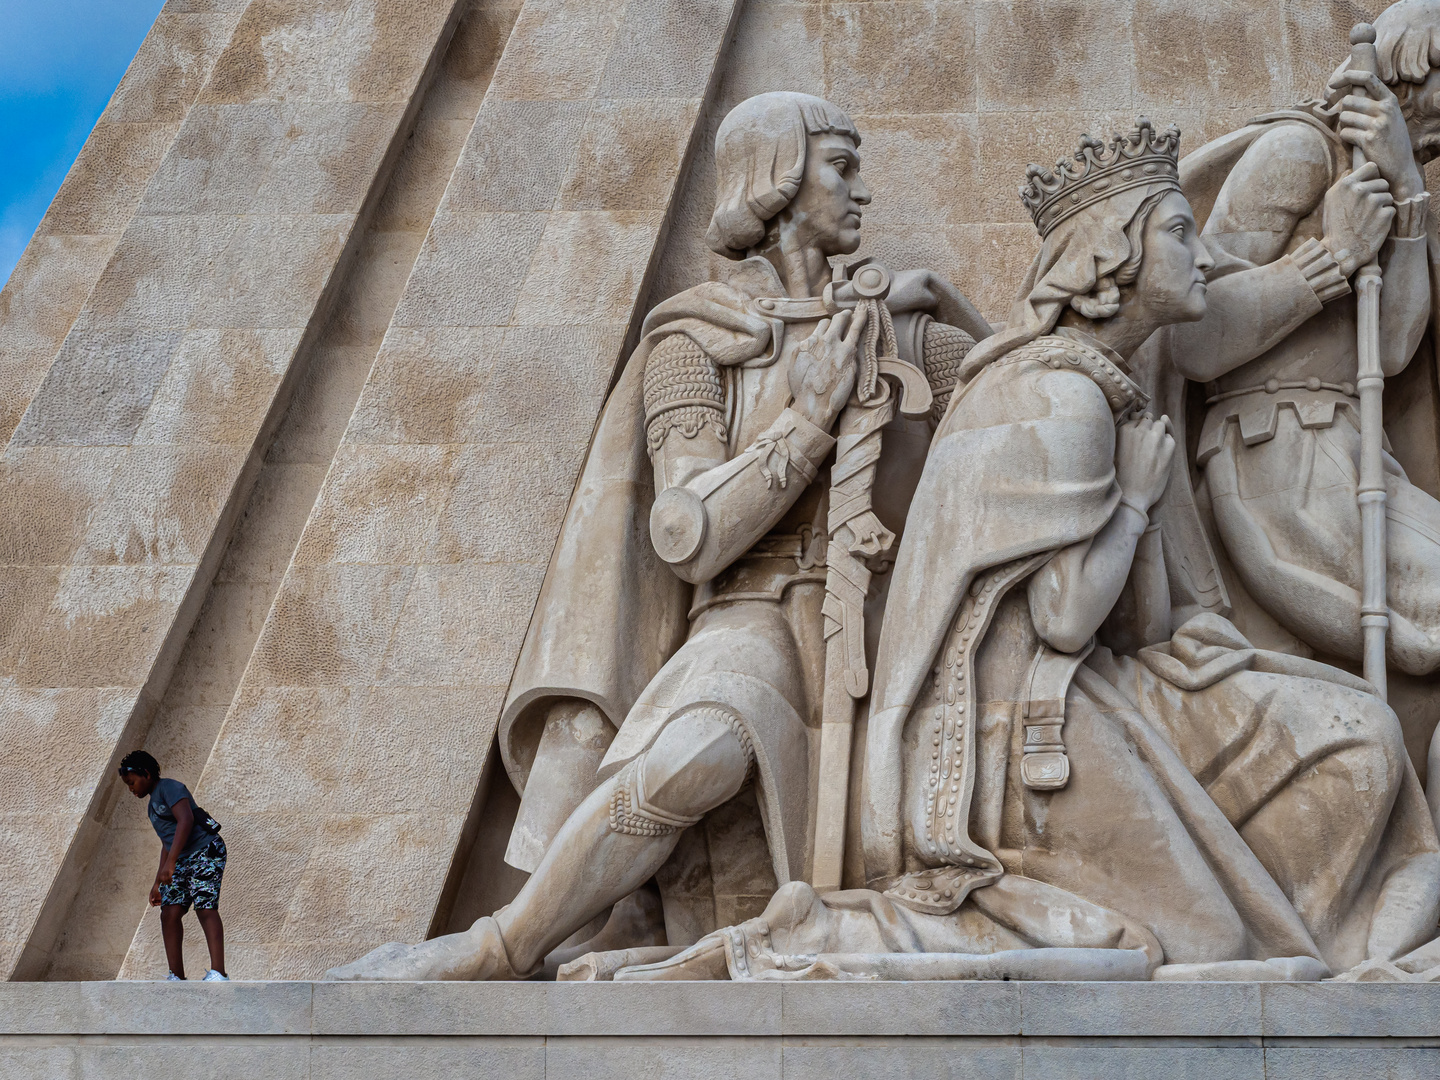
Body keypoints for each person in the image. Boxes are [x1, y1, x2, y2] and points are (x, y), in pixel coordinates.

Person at [617, 120, 1440, 983]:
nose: (1203, 254)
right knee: (1211, 945)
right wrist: (1131, 499)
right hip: (1009, 745)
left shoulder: (1098, 390)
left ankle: (1366, 953)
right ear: (1107, 266)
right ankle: (830, 936)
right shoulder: (1063, 400)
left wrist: (1194, 630)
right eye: (1179, 232)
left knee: (1360, 737)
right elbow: (1067, 614)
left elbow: (1120, 611)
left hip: (1093, 690)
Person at [325, 91, 990, 982]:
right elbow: (693, 534)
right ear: (779, 177)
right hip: (751, 611)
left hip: (896, 627)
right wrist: (811, 416)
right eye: (842, 164)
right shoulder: (698, 344)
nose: (862, 190)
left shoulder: (912, 331)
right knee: (695, 753)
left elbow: (1014, 413)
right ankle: (504, 945)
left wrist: (948, 302)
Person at [118, 750, 229, 982]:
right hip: (181, 858)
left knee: (205, 906)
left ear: (146, 774)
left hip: (205, 850)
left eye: (132, 782)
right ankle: (176, 976)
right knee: (169, 912)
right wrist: (158, 881)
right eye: (128, 785)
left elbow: (186, 820)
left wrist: (171, 864)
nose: (131, 788)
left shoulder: (169, 787)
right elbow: (168, 842)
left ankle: (218, 972)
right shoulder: (152, 806)